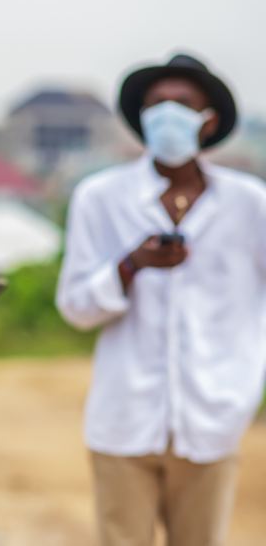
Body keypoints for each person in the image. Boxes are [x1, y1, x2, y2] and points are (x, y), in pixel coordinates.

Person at [57, 54, 266, 546]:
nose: (166, 115)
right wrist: (130, 268)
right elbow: (76, 308)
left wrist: (245, 385)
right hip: (124, 418)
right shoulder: (99, 197)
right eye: (156, 105)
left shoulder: (250, 203)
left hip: (212, 417)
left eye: (182, 104)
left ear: (208, 120)